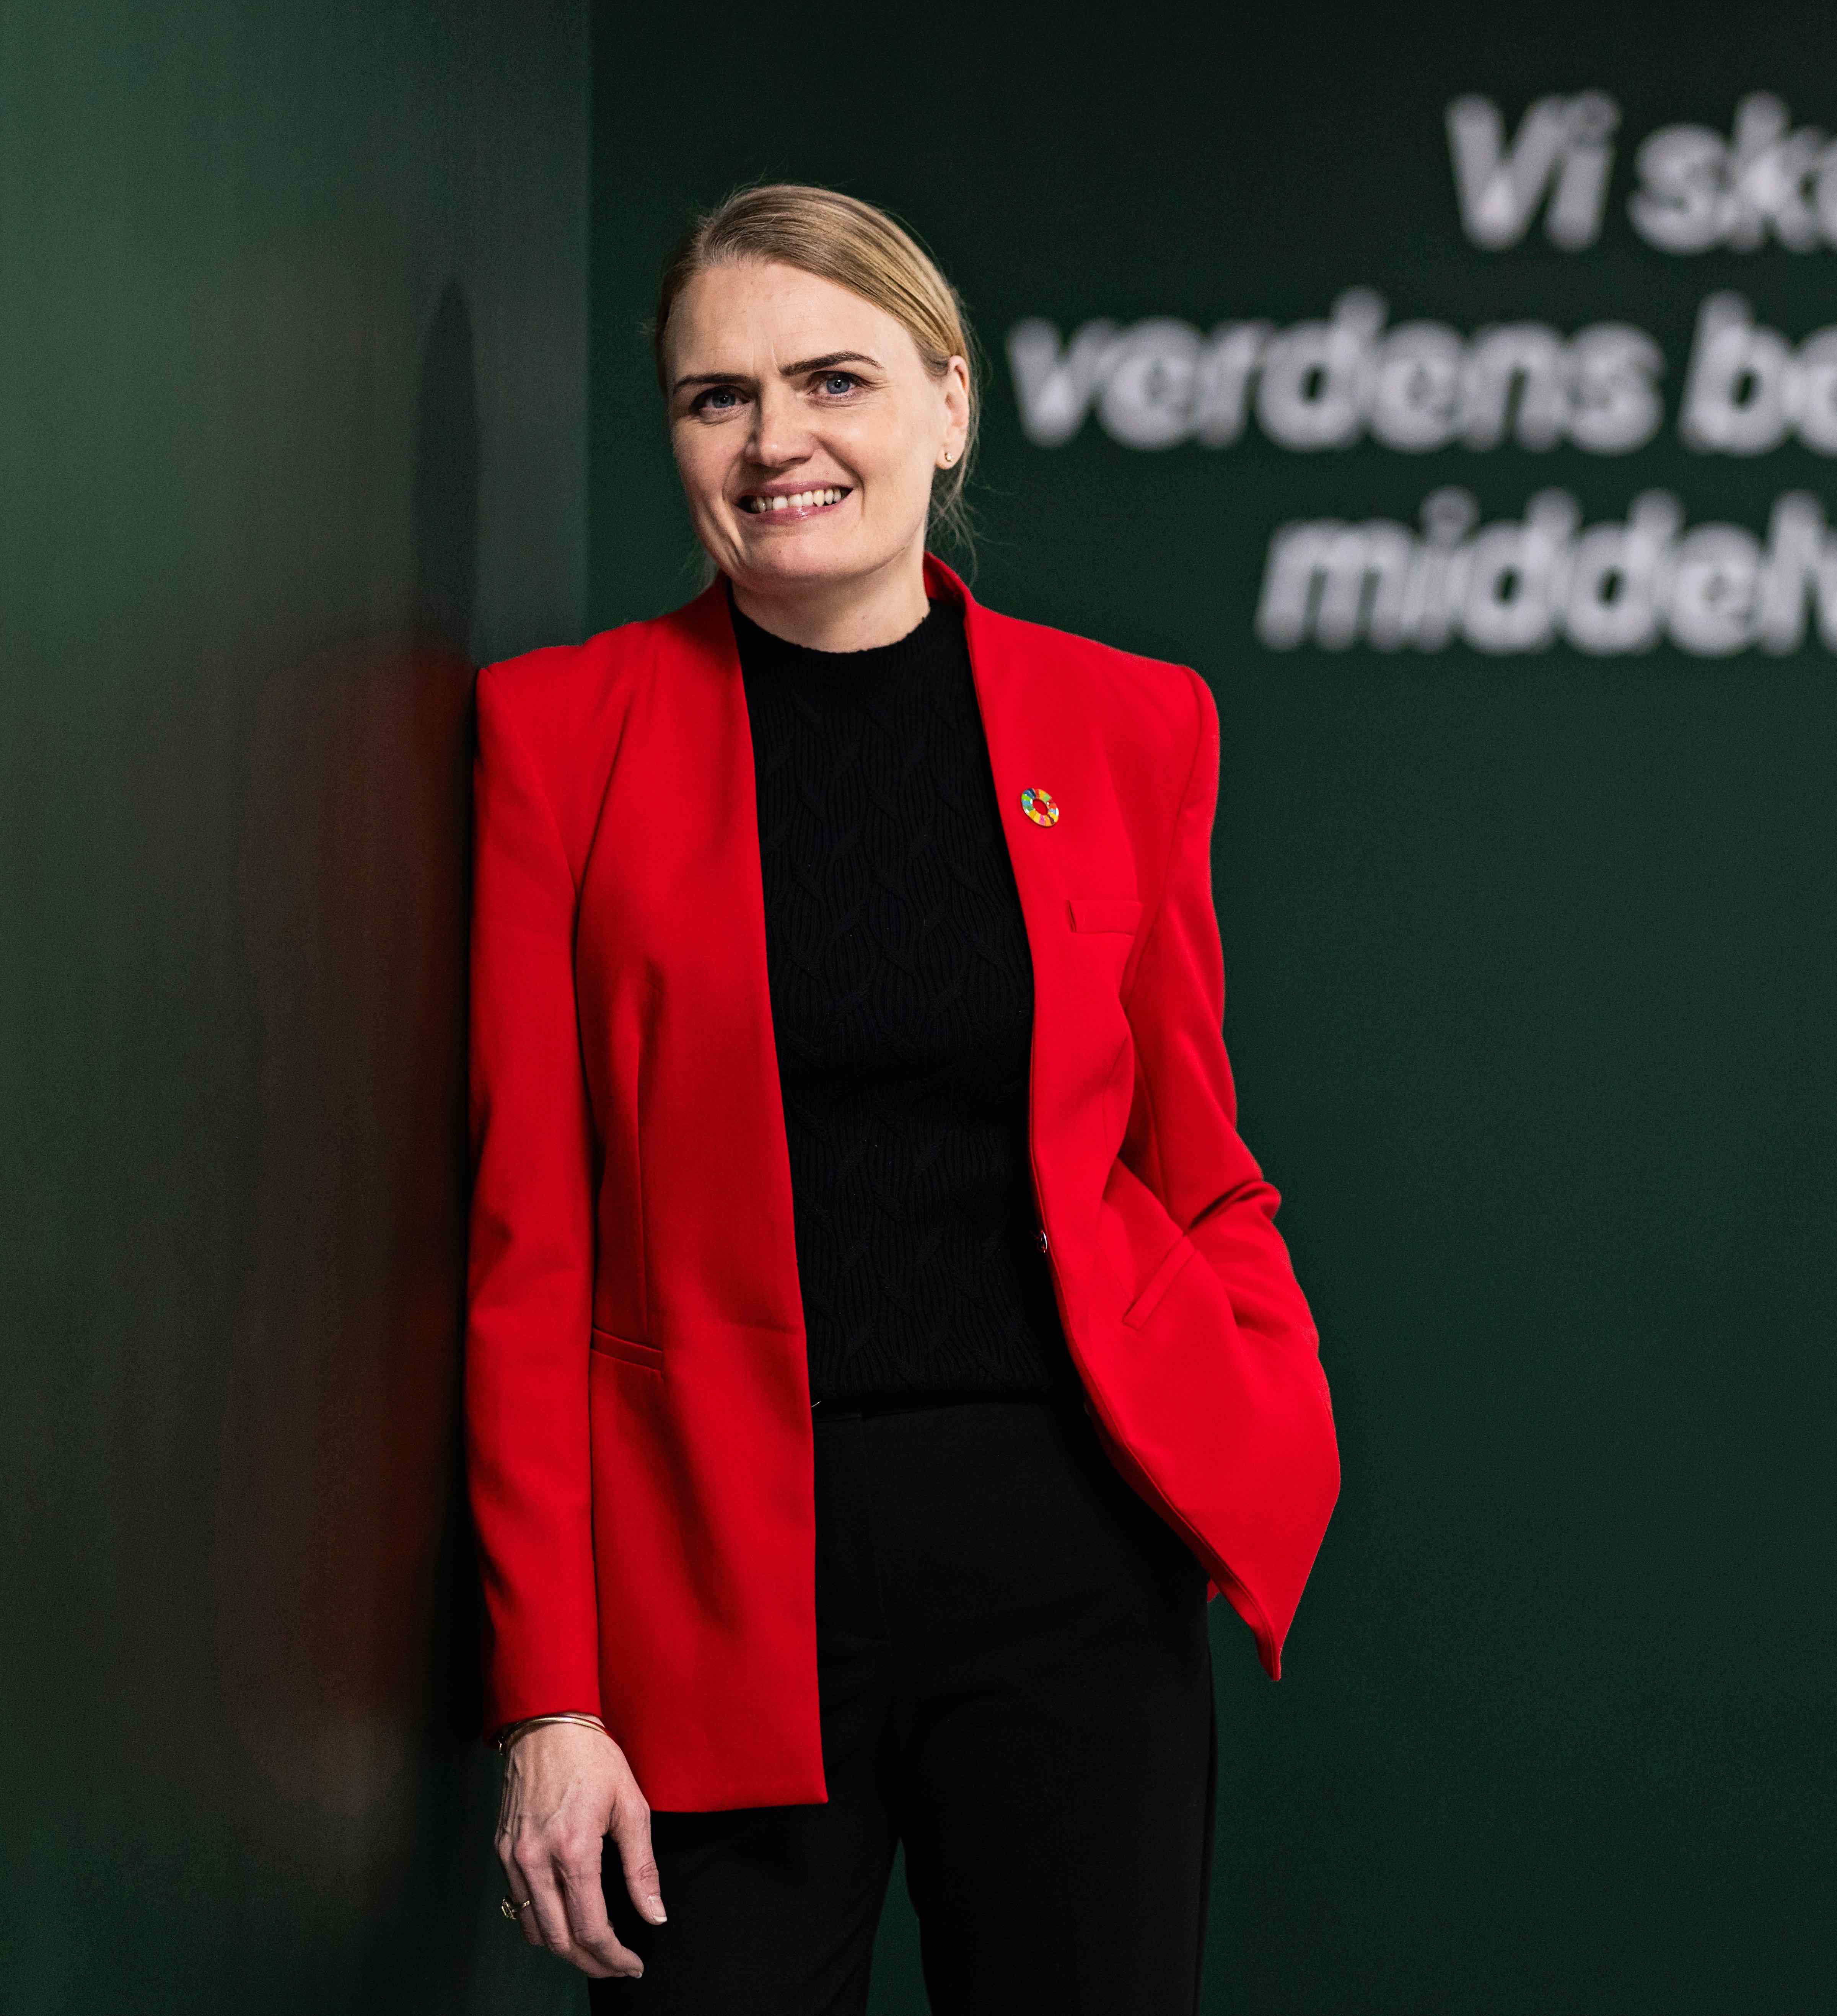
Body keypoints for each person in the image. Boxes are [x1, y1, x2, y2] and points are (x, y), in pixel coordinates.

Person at [466, 183, 1339, 2014]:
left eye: (834, 380)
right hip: (713, 1583)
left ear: (949, 407)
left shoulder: (1133, 723)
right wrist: (551, 1699)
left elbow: (1194, 1151)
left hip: (1071, 1565)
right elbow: (530, 1250)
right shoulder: (559, 736)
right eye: (718, 397)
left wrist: (1260, 1396)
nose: (775, 439)